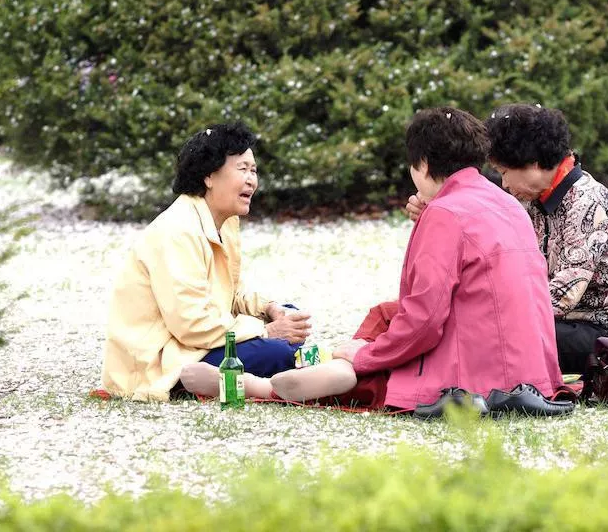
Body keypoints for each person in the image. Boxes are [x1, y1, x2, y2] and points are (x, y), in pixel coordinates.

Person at [182, 107, 564, 411]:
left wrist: (368, 355)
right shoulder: (507, 204)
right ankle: (337, 363)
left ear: (425, 164)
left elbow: (425, 321)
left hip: (475, 371)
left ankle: (271, 385)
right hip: (533, 370)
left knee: (372, 373)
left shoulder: (445, 213)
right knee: (385, 314)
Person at [407, 104, 608, 375]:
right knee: (487, 334)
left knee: (500, 339)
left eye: (504, 172)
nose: (503, 185)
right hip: (565, 322)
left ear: (535, 163)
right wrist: (435, 210)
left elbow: (563, 296)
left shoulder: (588, 202)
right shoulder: (532, 198)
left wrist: (492, 317)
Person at [101, 122, 312, 401]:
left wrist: (270, 310)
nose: (252, 180)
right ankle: (191, 382)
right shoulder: (178, 230)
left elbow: (231, 293)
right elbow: (191, 324)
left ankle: (281, 361)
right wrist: (266, 331)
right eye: (243, 169)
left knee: (290, 316)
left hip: (197, 342)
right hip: (161, 359)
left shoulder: (225, 221)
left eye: (254, 170)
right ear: (209, 176)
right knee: (278, 351)